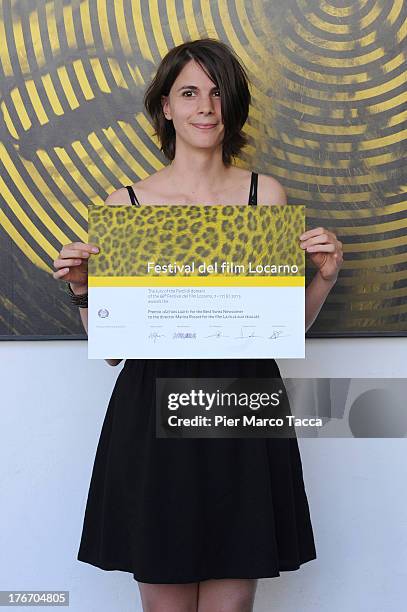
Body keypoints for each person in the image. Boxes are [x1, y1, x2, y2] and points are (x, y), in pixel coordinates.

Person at [53, 39, 343, 612]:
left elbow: (280, 331)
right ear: (166, 107)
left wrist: (325, 277)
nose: (205, 106)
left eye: (217, 93)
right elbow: (113, 352)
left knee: (232, 606)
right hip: (152, 413)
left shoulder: (265, 197)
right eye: (189, 92)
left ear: (231, 107)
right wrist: (84, 290)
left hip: (242, 406)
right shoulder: (127, 205)